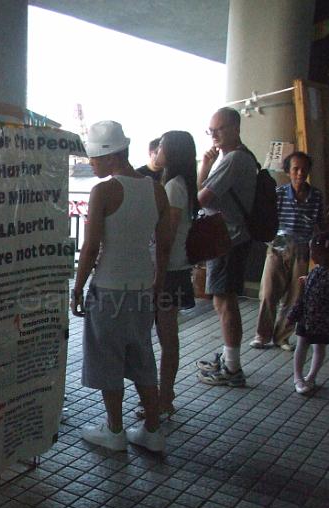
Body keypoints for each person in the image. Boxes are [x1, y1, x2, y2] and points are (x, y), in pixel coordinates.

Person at [71, 121, 172, 453]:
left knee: (108, 359)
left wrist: (77, 288)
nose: (91, 164)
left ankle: (114, 430)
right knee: (143, 359)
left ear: (111, 156)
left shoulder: (103, 191)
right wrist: (157, 283)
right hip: (142, 287)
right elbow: (164, 244)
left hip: (109, 289)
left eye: (94, 158)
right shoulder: (156, 190)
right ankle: (152, 431)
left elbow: (90, 247)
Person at [195, 107, 257, 387]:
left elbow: (201, 198)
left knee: (225, 301)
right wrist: (207, 166)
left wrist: (204, 169)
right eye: (211, 130)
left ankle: (232, 368)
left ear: (236, 128)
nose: (214, 135)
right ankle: (229, 359)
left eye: (219, 129)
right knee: (223, 300)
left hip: (227, 240)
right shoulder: (242, 156)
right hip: (229, 238)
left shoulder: (233, 160)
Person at [138, 131, 197, 420]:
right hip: (175, 268)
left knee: (165, 336)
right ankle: (164, 396)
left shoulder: (173, 186)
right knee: (166, 335)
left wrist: (157, 274)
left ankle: (163, 397)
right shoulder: (182, 183)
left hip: (168, 271)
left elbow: (166, 237)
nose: (156, 151)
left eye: (160, 147)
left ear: (171, 152)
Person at [250, 151, 324, 351]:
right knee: (268, 293)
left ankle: (282, 337)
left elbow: (320, 224)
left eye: (304, 169)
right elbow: (267, 220)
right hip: (277, 248)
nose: (300, 173)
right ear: (288, 171)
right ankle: (262, 335)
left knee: (295, 296)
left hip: (302, 250)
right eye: (295, 169)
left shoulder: (316, 196)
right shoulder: (279, 193)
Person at [288, 232, 329, 395]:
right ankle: (298, 377)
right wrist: (293, 316)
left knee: (318, 347)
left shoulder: (317, 273)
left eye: (314, 252)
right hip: (307, 319)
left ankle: (311, 376)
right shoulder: (314, 272)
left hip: (323, 321)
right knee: (302, 345)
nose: (311, 255)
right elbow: (303, 298)